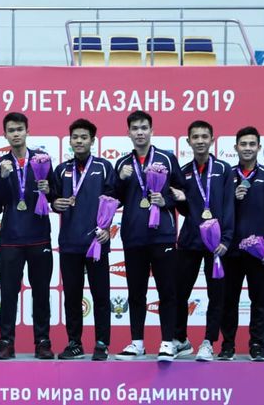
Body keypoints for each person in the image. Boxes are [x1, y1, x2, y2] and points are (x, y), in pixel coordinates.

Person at [113, 110, 183, 362]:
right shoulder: (122, 164)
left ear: (152, 130)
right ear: (128, 133)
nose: (140, 132)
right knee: (136, 292)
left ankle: (167, 343)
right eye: (135, 128)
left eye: (144, 127)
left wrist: (167, 200)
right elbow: (112, 199)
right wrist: (120, 181)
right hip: (133, 237)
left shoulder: (167, 158)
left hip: (162, 235)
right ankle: (137, 343)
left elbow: (183, 193)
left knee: (167, 291)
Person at [0, 112, 55, 360]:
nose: (16, 133)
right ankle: (6, 342)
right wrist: (2, 179)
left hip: (39, 236)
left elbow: (55, 196)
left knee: (41, 292)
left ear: (27, 130)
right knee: (8, 293)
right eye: (11, 130)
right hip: (10, 238)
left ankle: (43, 342)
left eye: (20, 129)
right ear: (5, 134)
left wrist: (49, 190)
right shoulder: (0, 165)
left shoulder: (42, 160)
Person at [171, 120, 234, 362]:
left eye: (204, 136)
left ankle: (208, 342)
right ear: (188, 142)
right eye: (195, 137)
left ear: (212, 139)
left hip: (217, 244)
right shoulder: (184, 171)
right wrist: (179, 199)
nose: (199, 140)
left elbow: (229, 206)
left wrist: (226, 240)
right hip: (189, 242)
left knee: (216, 294)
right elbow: (186, 211)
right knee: (179, 292)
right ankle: (181, 339)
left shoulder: (224, 169)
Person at [52, 119, 114, 361]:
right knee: (72, 296)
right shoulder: (61, 169)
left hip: (97, 242)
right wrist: (54, 203)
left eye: (84, 137)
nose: (79, 141)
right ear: (70, 140)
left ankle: (101, 344)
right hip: (69, 242)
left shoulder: (104, 167)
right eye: (75, 137)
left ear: (92, 140)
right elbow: (54, 199)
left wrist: (107, 229)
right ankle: (74, 343)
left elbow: (112, 201)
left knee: (101, 295)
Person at [218, 126, 264, 361]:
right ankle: (227, 345)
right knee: (228, 301)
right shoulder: (227, 176)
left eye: (252, 144)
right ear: (235, 147)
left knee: (261, 301)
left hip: (260, 252)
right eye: (243, 144)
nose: (247, 148)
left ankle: (258, 345)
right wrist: (233, 199)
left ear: (259, 147)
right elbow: (217, 212)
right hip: (231, 250)